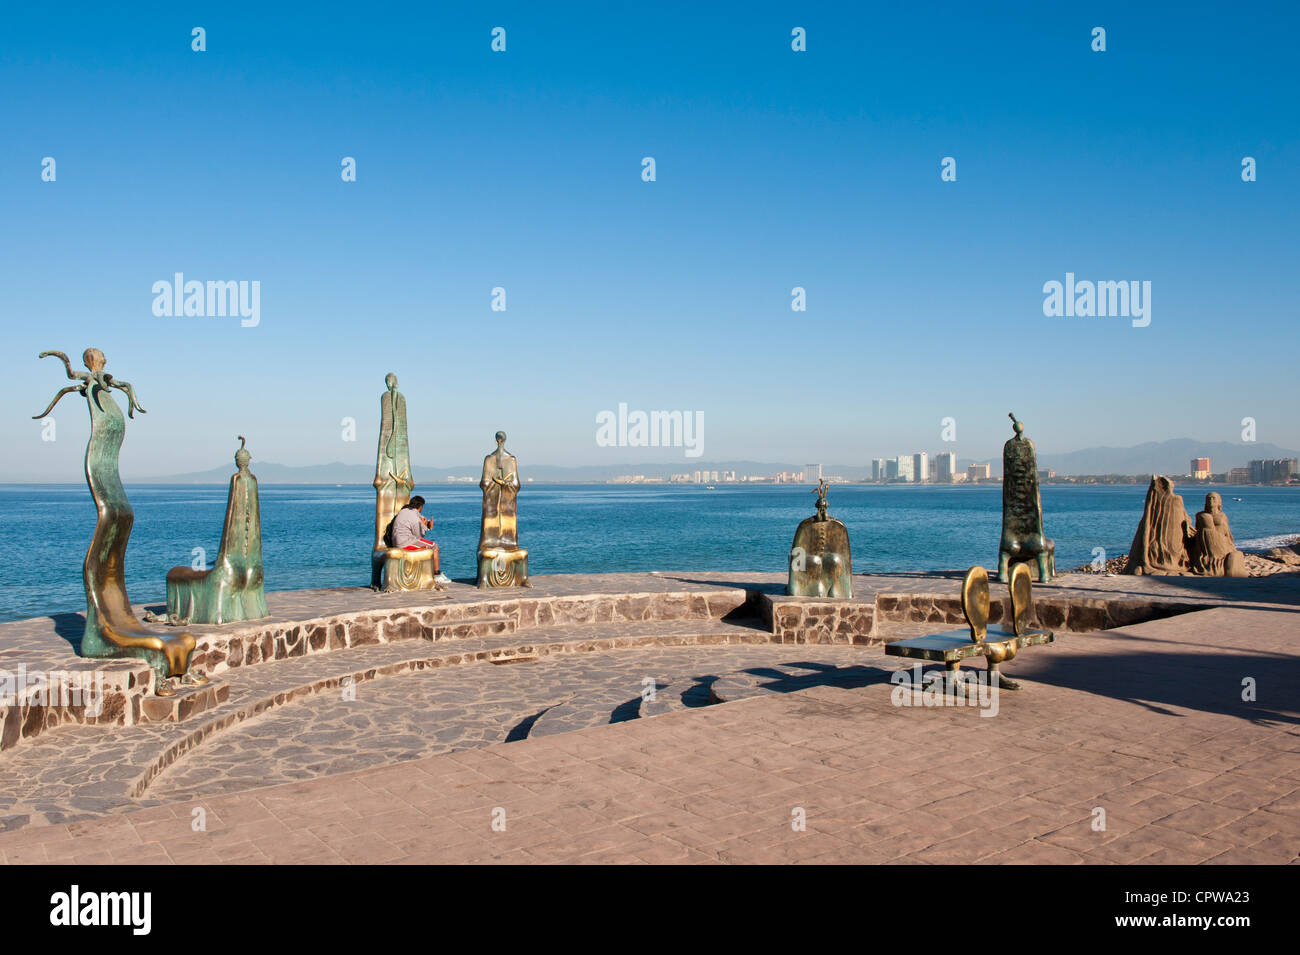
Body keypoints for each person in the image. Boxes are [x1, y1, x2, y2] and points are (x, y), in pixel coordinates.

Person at [389, 496, 448, 582]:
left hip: (396, 541)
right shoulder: (415, 517)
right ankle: (437, 574)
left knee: (428, 545)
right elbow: (419, 536)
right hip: (405, 543)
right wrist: (427, 527)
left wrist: (424, 525)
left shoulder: (404, 511)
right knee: (434, 547)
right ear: (420, 506)